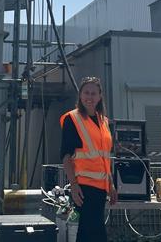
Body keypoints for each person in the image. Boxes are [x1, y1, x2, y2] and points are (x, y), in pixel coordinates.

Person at [60, 76, 118, 242]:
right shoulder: (73, 119)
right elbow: (66, 155)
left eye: (93, 93)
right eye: (86, 93)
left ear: (100, 96)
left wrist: (111, 184)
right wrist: (74, 184)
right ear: (80, 95)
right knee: (95, 233)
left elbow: (104, 158)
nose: (89, 97)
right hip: (83, 188)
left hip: (100, 189)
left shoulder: (104, 122)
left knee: (87, 233)